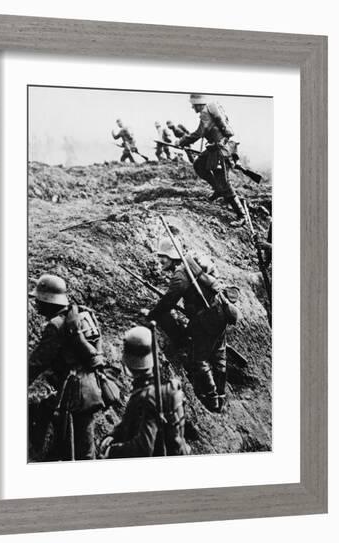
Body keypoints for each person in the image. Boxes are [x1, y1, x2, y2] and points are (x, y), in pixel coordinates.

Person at [142, 238, 240, 413]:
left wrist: (151, 315)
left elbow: (168, 302)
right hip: (219, 313)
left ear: (172, 256)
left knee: (198, 359)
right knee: (219, 356)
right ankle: (221, 396)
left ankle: (211, 399)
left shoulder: (180, 275)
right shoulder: (193, 264)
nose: (161, 261)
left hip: (207, 320)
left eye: (163, 257)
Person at [28, 274, 111, 461]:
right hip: (91, 388)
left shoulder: (55, 326)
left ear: (48, 301)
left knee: (73, 448)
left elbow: (37, 362)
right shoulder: (82, 315)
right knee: (84, 445)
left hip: (72, 394)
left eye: (39, 300)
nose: (36, 304)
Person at [100, 326, 191, 458]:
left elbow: (143, 449)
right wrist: (115, 434)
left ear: (128, 361)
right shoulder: (165, 386)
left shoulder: (146, 397)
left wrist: (111, 452)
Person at [178, 94, 246, 226]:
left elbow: (198, 133)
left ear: (198, 103)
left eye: (193, 105)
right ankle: (218, 189)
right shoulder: (210, 111)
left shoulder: (205, 114)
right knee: (199, 164)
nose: (192, 107)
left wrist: (182, 141)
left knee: (224, 182)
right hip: (214, 148)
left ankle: (241, 215)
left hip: (220, 149)